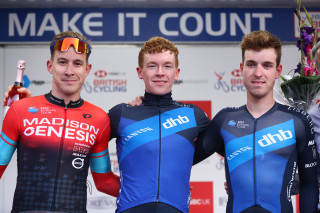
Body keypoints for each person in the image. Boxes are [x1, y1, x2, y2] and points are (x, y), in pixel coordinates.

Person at [193, 30, 319, 213]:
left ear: (278, 71)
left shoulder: (298, 121)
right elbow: (180, 157)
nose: (258, 73)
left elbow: (309, 185)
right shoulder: (224, 120)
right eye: (251, 64)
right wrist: (148, 110)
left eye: (267, 65)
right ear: (241, 68)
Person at [0, 31, 120, 213]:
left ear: (87, 70)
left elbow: (104, 181)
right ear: (50, 66)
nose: (69, 71)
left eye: (77, 63)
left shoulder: (99, 119)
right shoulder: (21, 109)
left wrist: (154, 196)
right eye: (62, 62)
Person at [108, 36, 210, 213]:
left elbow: (232, 148)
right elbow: (87, 148)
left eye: (167, 66)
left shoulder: (193, 115)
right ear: (140, 72)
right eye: (152, 65)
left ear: (176, 73)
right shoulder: (122, 113)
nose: (160, 72)